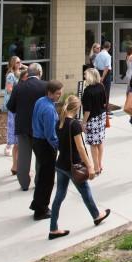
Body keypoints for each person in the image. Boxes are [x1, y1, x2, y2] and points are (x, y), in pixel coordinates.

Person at [47, 95, 111, 239]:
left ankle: (53, 228)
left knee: (59, 196)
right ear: (77, 108)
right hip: (73, 165)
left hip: (61, 164)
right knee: (85, 191)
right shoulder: (74, 124)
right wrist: (90, 166)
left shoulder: (60, 123)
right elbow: (81, 148)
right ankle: (96, 215)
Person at [5, 62, 44, 190]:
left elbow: (10, 106)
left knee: (23, 157)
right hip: (40, 128)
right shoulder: (45, 86)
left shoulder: (18, 87)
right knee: (40, 156)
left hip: (22, 127)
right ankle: (39, 181)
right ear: (39, 73)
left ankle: (24, 184)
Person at [30, 79, 64, 220]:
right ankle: (41, 209)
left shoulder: (40, 101)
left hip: (37, 141)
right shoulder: (49, 109)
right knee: (47, 179)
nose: (59, 96)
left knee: (42, 176)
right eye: (57, 94)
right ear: (49, 93)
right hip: (46, 145)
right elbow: (50, 135)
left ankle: (37, 204)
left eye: (60, 93)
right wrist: (60, 147)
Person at [81, 68, 109, 174]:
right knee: (100, 141)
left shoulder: (87, 91)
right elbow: (104, 103)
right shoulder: (101, 87)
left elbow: (87, 111)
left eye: (85, 75)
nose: (84, 77)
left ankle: (96, 167)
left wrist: (83, 123)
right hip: (101, 116)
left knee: (93, 144)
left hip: (92, 119)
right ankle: (100, 164)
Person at [2, 56, 23, 167]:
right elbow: (9, 89)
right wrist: (19, 90)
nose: (20, 64)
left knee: (15, 124)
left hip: (18, 102)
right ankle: (8, 146)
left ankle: (10, 145)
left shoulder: (19, 72)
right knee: (12, 124)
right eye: (18, 62)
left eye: (20, 62)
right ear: (13, 64)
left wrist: (22, 65)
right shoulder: (11, 75)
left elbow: (32, 69)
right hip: (13, 103)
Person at [93, 41, 112, 108]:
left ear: (103, 46)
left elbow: (95, 66)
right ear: (109, 47)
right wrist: (102, 78)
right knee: (106, 91)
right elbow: (106, 68)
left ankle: (99, 106)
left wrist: (97, 76)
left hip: (98, 72)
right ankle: (105, 109)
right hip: (106, 74)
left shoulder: (98, 55)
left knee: (99, 90)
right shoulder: (108, 56)